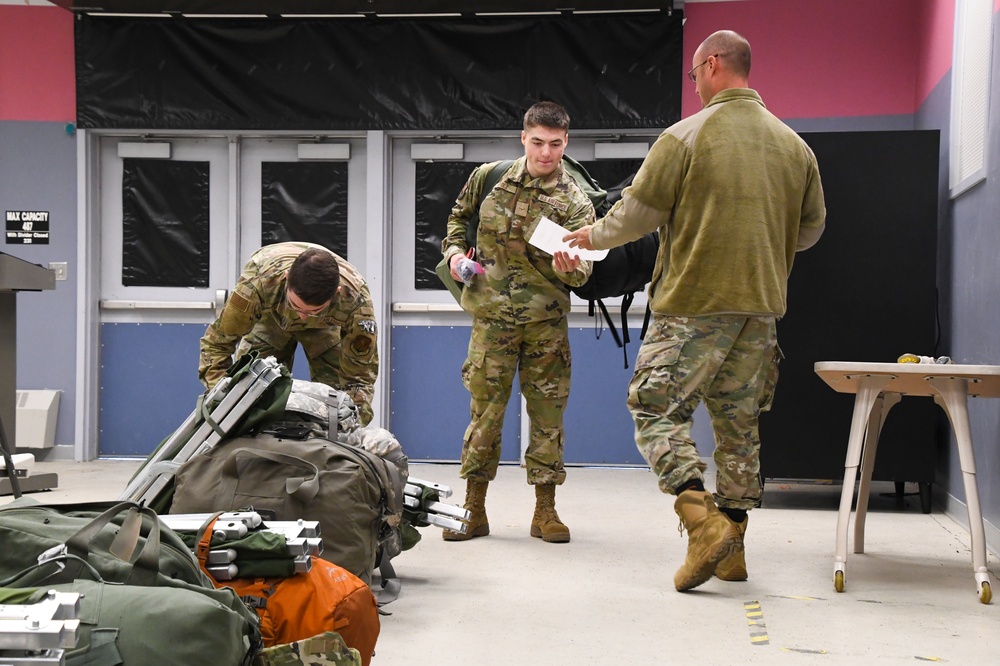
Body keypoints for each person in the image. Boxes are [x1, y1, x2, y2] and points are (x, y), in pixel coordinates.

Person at [563, 30, 826, 589]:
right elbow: (810, 230)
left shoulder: (684, 138)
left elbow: (637, 215)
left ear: (710, 65)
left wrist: (589, 237)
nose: (695, 84)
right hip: (760, 310)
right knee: (738, 425)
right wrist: (763, 241)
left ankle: (699, 520)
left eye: (693, 75)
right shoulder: (795, 147)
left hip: (693, 305)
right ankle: (733, 552)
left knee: (654, 405)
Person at [439, 101, 595, 544]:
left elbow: (584, 272)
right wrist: (452, 254)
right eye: (538, 142)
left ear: (567, 142)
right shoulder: (489, 178)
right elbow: (457, 219)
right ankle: (473, 508)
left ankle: (545, 511)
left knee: (548, 416)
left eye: (556, 144)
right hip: (491, 320)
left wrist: (569, 265)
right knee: (484, 415)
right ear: (523, 138)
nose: (547, 153)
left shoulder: (575, 201)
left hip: (545, 325)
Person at [199, 241, 379, 425]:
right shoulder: (258, 283)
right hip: (270, 320)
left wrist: (349, 421)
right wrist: (224, 397)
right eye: (296, 306)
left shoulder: (356, 301)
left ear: (336, 293)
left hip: (324, 327)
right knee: (250, 391)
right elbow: (216, 345)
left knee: (336, 403)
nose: (302, 317)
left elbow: (359, 378)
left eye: (312, 311)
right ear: (286, 278)